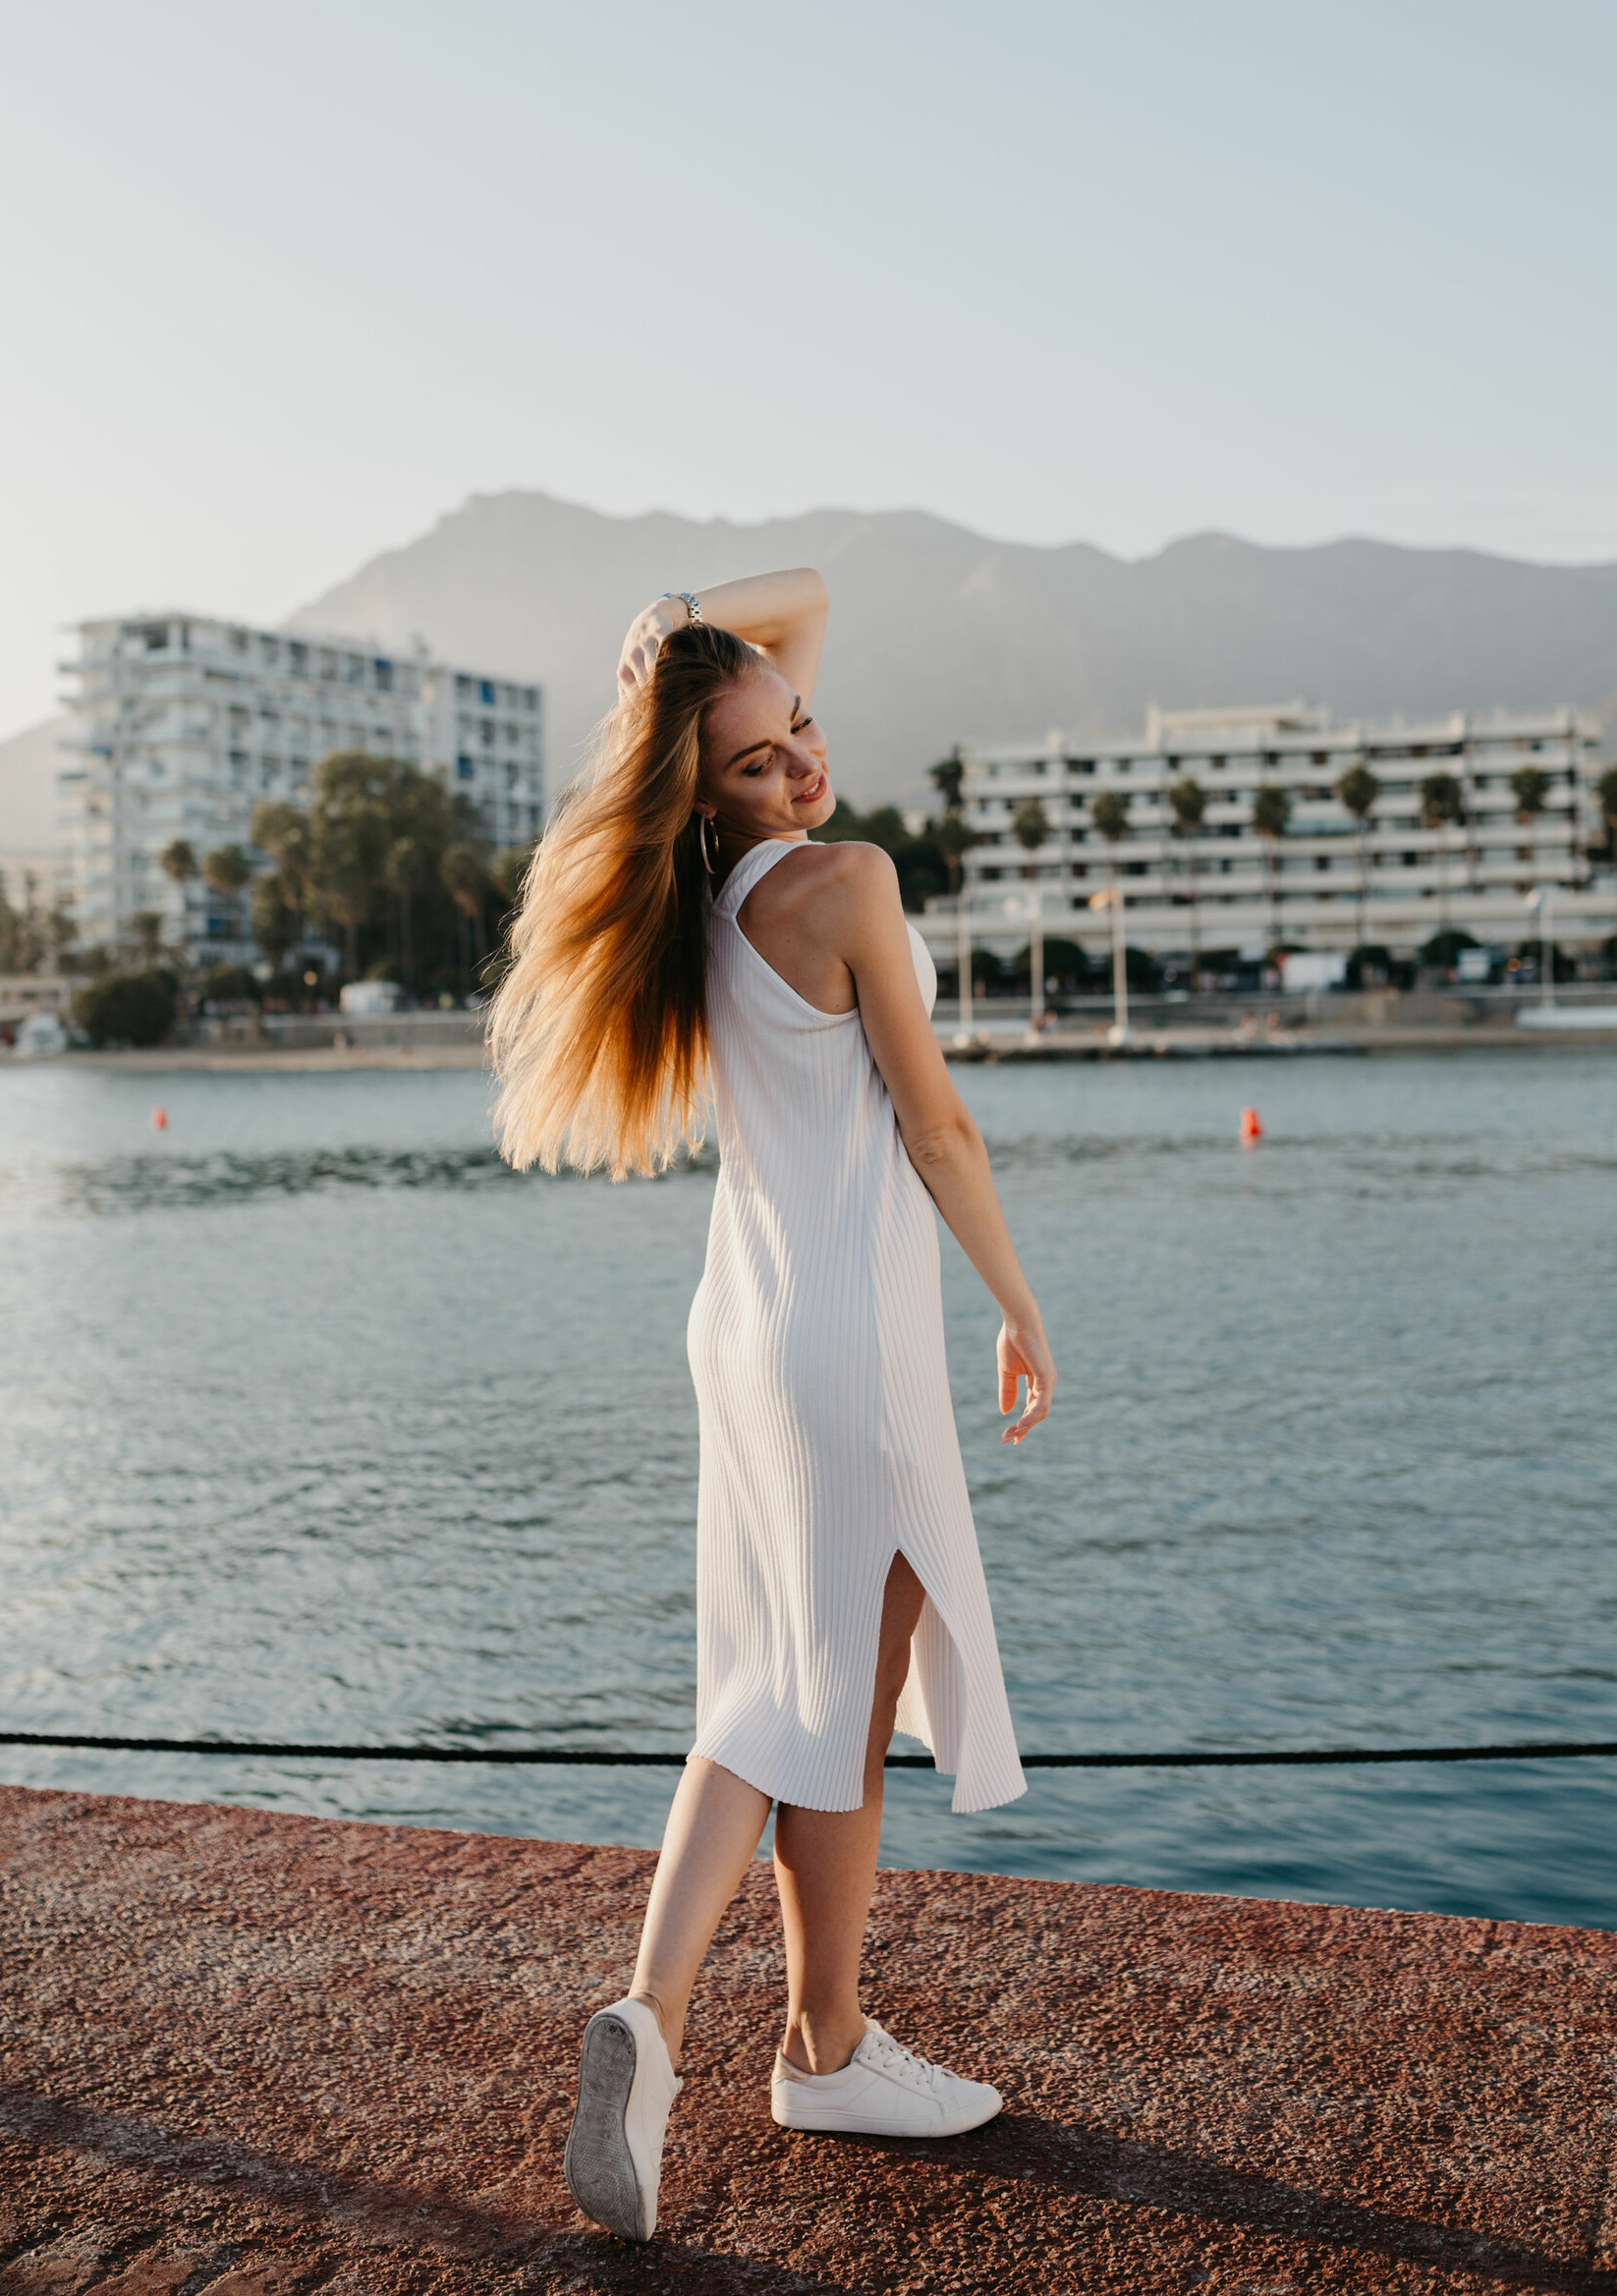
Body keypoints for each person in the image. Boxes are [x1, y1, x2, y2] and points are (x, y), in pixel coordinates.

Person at [487, 568, 1056, 2244]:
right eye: (758, 759)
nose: (803, 759)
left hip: (743, 1329)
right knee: (839, 1701)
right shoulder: (847, 883)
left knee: (775, 1694)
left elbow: (790, 613)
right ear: (708, 792)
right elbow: (938, 1128)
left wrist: (677, 644)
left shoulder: (715, 901)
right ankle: (799, 2048)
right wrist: (1020, 1306)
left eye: (801, 730)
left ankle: (710, 2033)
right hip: (847, 1344)